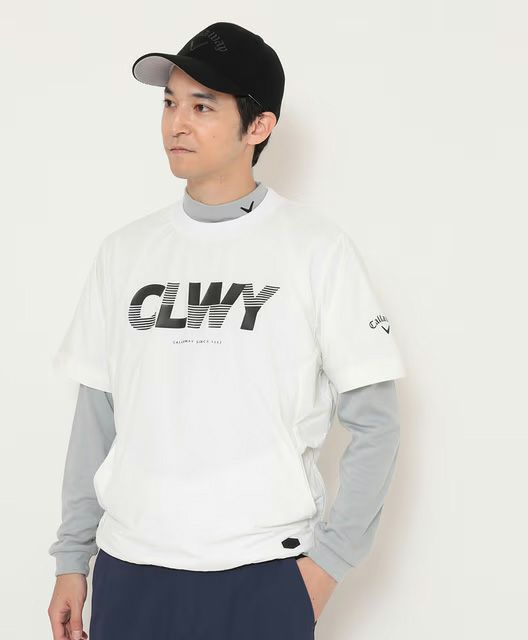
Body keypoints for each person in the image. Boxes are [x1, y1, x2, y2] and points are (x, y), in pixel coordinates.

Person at [47, 21, 406, 640]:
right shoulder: (124, 253)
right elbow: (95, 421)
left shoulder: (316, 250)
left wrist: (326, 567)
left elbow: (376, 422)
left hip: (262, 572)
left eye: (203, 106)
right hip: (130, 569)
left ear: (258, 126)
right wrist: (72, 559)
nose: (176, 124)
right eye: (170, 103)